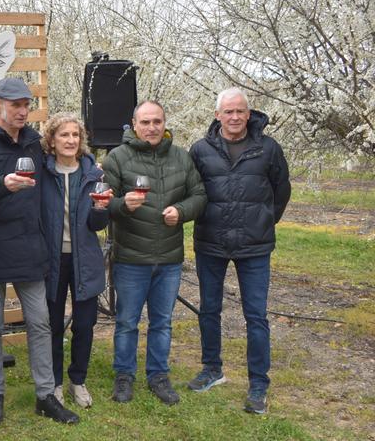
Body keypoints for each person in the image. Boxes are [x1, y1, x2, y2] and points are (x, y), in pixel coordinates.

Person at [0, 77, 79, 425]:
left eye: (27, 105)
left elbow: (65, 163)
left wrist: (89, 169)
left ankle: (45, 396)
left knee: (40, 322)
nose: (23, 111)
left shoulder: (34, 142)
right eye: (15, 105)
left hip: (29, 245)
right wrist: (4, 184)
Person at [188, 88, 291, 415]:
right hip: (211, 241)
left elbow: (281, 190)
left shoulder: (268, 148)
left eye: (240, 111)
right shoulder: (200, 150)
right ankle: (212, 369)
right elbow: (193, 191)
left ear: (249, 114)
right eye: (228, 112)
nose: (234, 117)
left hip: (254, 245)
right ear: (217, 115)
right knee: (209, 309)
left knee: (256, 315)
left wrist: (264, 220)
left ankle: (258, 383)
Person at [101, 100, 206, 406]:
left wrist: (182, 211)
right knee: (127, 322)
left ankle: (158, 375)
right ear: (134, 125)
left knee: (162, 322)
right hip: (131, 258)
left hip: (169, 258)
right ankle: (124, 376)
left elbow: (200, 195)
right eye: (145, 122)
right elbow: (103, 202)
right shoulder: (117, 158)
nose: (151, 127)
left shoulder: (181, 157)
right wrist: (122, 205)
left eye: (157, 121)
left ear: (164, 123)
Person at [39, 113, 111, 408]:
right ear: (52, 140)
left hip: (86, 259)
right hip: (52, 260)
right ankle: (55, 383)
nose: (70, 140)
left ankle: (77, 381)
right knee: (53, 325)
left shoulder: (94, 174)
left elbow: (98, 225)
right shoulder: (42, 174)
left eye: (75, 135)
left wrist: (101, 209)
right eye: (64, 135)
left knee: (84, 324)